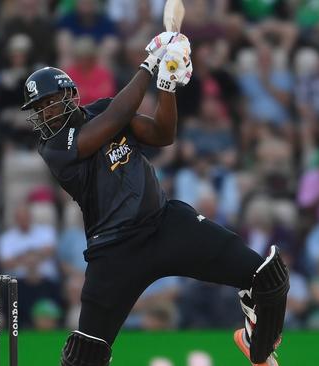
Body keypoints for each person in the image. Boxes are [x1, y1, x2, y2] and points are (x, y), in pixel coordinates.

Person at [20, 32, 288, 366]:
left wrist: (168, 83)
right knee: (84, 356)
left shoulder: (102, 110)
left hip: (164, 224)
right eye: (38, 109)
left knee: (268, 277)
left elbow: (163, 134)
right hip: (114, 251)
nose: (44, 114)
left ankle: (258, 345)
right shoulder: (53, 147)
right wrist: (149, 64)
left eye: (47, 102)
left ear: (69, 95)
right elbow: (113, 120)